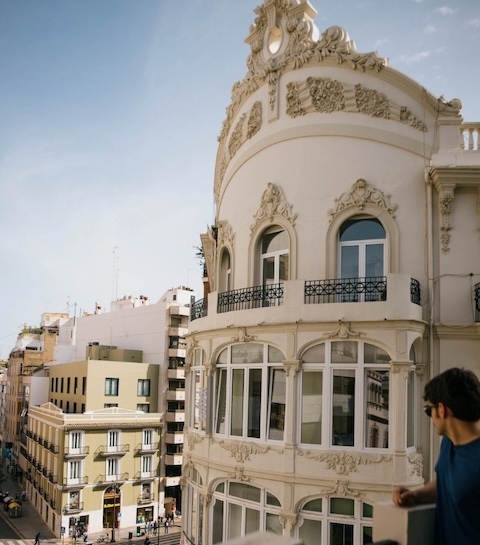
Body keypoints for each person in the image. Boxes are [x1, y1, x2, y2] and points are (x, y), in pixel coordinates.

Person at [392, 367, 480, 545]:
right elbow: (447, 483)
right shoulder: (448, 442)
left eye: (428, 410)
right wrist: (416, 495)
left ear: (441, 409)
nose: (430, 417)